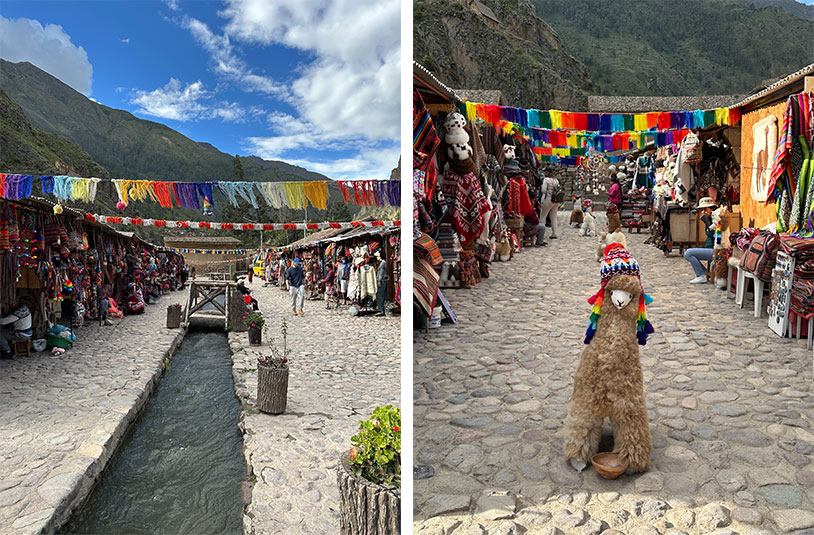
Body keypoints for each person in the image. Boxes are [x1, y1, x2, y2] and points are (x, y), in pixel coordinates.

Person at [684, 197, 717, 284]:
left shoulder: (716, 220)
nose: (703, 212)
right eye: (702, 210)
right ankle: (704, 272)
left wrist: (706, 220)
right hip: (711, 248)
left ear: (712, 209)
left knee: (688, 253)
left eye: (705, 209)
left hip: (716, 250)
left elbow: (713, 233)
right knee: (688, 252)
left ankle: (701, 275)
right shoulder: (710, 219)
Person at [538, 171, 562, 239]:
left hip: (548, 199)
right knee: (554, 217)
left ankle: (541, 234)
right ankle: (555, 233)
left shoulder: (546, 180)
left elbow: (543, 190)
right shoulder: (556, 180)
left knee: (543, 217)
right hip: (556, 200)